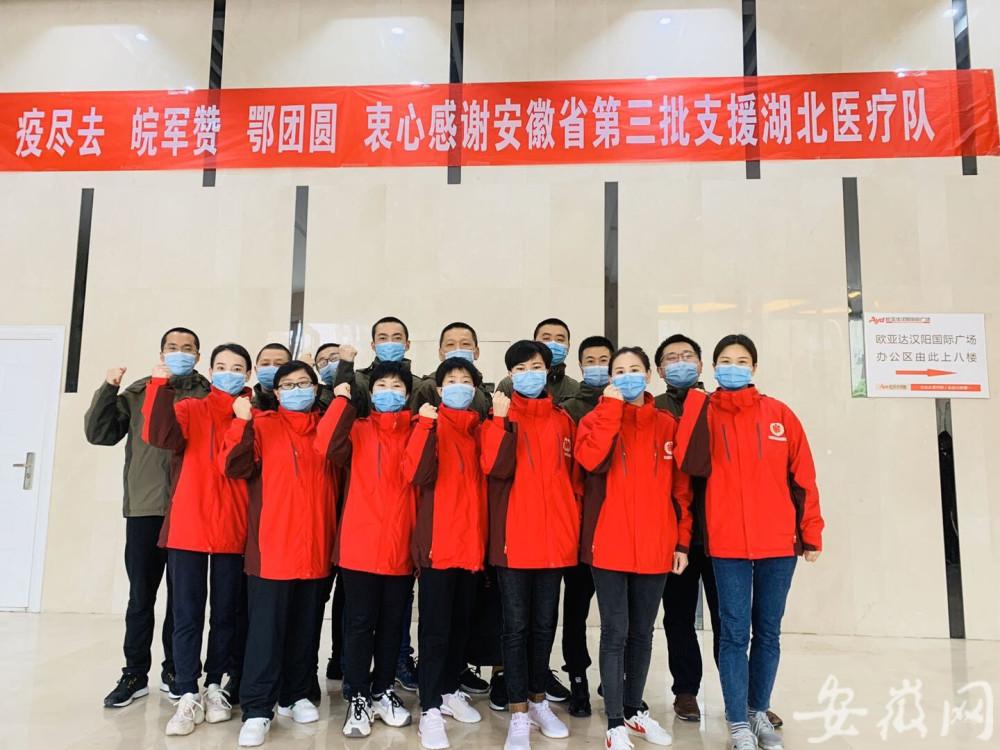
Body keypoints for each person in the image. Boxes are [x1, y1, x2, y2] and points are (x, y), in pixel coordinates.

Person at [675, 334, 824, 750]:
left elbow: (803, 477)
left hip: (778, 542)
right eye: (725, 361)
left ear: (754, 368)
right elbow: (686, 467)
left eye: (742, 361)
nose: (733, 367)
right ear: (713, 368)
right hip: (727, 544)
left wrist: (811, 531)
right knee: (734, 635)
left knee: (769, 633)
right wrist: (695, 404)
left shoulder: (780, 414)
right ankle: (738, 721)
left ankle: (759, 711)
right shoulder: (703, 412)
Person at [85, 327, 210, 708]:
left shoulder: (207, 393)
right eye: (172, 347)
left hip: (190, 509)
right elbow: (100, 434)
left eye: (187, 348)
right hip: (146, 508)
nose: (179, 353)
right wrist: (108, 389)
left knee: (183, 599)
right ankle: (134, 673)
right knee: (141, 597)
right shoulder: (138, 392)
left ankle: (176, 670)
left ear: (198, 356)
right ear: (161, 353)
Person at [575, 346, 693, 749]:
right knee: (615, 631)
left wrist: (682, 541)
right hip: (609, 543)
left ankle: (632, 710)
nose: (627, 376)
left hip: (657, 544)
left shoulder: (667, 424)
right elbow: (591, 461)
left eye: (634, 369)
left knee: (643, 633)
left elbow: (681, 490)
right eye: (619, 371)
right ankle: (613, 723)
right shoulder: (594, 419)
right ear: (610, 379)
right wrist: (610, 410)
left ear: (648, 376)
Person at [218, 360, 338, 747]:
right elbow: (233, 466)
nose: (297, 390)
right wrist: (241, 423)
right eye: (288, 385)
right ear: (276, 391)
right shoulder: (262, 424)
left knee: (306, 628)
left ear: (316, 389)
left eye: (304, 383)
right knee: (265, 635)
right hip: (272, 549)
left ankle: (295, 694)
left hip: (316, 547)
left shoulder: (327, 429)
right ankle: (257, 709)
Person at [142, 342, 252, 737]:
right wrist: (160, 385)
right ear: (210, 370)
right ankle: (187, 690)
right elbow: (159, 434)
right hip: (188, 526)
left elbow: (236, 464)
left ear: (248, 375)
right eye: (221, 366)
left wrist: (242, 421)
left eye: (237, 368)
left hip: (233, 528)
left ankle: (214, 685)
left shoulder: (253, 415)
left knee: (226, 614)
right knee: (186, 613)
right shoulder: (191, 408)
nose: (228, 373)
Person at [481, 340, 581, 750]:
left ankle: (539, 701)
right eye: (520, 368)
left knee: (544, 625)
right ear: (510, 375)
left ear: (548, 369)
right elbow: (494, 468)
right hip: (514, 541)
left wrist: (571, 527)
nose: (529, 374)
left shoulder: (562, 420)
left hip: (555, 540)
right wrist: (500, 421)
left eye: (535, 366)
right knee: (516, 627)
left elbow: (574, 480)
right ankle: (518, 711)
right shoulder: (499, 417)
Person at [316, 362, 417, 738]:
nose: (389, 392)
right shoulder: (357, 429)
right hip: (359, 545)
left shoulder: (418, 430)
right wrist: (341, 403)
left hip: (401, 545)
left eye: (397, 386)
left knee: (392, 624)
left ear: (408, 394)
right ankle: (357, 694)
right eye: (382, 386)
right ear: (371, 393)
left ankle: (383, 690)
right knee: (359, 624)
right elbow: (325, 446)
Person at [404, 358, 490, 749]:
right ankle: (430, 707)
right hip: (439, 547)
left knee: (460, 626)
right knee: (435, 631)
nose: (458, 386)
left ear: (475, 389)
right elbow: (416, 474)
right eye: (451, 381)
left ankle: (450, 688)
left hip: (471, 547)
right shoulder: (428, 427)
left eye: (465, 380)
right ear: (439, 390)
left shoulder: (479, 430)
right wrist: (425, 426)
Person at [653, 333, 720, 723]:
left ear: (701, 364)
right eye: (671, 358)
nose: (680, 363)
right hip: (674, 530)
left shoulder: (718, 405)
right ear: (660, 371)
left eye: (687, 356)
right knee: (678, 616)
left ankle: (743, 695)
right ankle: (686, 691)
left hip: (720, 530)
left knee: (728, 620)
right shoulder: (654, 410)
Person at [549, 334, 615, 718]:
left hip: (619, 527)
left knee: (617, 615)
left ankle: (616, 677)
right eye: (590, 361)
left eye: (605, 360)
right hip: (579, 527)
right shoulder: (569, 410)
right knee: (574, 611)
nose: (598, 367)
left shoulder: (632, 407)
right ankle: (577, 679)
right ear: (580, 366)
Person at [333, 316, 423, 418]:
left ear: (407, 345)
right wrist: (345, 364)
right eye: (383, 338)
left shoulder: (418, 385)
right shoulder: (359, 380)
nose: (390, 343)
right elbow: (344, 410)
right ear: (373, 346)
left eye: (397, 338)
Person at [411, 322, 494, 421]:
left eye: (465, 344)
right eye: (450, 344)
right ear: (440, 354)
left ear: (476, 352)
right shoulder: (429, 387)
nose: (458, 349)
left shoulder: (481, 388)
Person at [495, 318, 580, 407]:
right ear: (534, 343)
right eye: (546, 338)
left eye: (560, 340)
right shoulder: (509, 385)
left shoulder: (575, 388)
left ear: (568, 346)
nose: (553, 344)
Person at [250, 343, 292, 412]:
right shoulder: (246, 408)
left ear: (291, 371)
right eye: (265, 364)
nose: (271, 368)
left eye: (279, 364)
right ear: (256, 370)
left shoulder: (300, 406)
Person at [315, 342, 341, 411]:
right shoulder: (318, 397)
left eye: (334, 358)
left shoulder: (364, 382)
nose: (330, 364)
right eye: (322, 363)